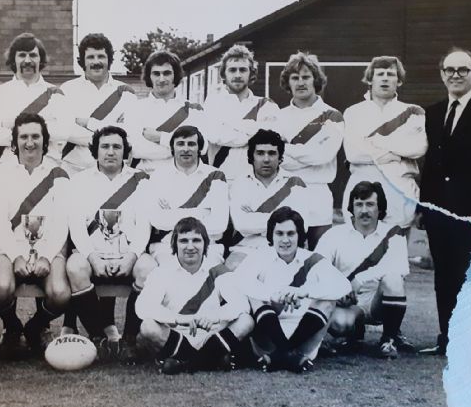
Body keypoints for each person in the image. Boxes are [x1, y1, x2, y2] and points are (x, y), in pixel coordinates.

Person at [64, 126, 153, 361]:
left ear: (125, 152)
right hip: (92, 251)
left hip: (127, 253)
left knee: (147, 268)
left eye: (117, 147)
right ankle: (99, 338)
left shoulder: (141, 180)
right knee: (75, 267)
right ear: (95, 151)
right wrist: (92, 257)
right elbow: (76, 226)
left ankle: (129, 340)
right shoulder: (79, 181)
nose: (110, 152)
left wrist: (132, 256)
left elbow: (145, 225)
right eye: (105, 146)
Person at [0, 113, 71, 358]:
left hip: (48, 246)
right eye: (23, 137)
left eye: (36, 136)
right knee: (0, 288)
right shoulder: (1, 173)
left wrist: (46, 256)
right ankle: (12, 328)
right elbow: (0, 222)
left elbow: (61, 222)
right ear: (14, 143)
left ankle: (36, 327)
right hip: (10, 246)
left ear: (45, 141)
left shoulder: (59, 174)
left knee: (60, 293)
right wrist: (16, 257)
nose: (30, 142)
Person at [233, 207, 350, 373]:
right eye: (279, 234)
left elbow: (343, 285)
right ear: (271, 236)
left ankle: (282, 354)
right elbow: (239, 280)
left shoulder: (312, 259)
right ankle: (288, 354)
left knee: (328, 300)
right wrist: (273, 294)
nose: (285, 240)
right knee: (253, 296)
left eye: (291, 234)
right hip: (267, 337)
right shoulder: (260, 256)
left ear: (300, 235)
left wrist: (305, 291)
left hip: (304, 337)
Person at [419, 48, 471, 356]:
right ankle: (448, 338)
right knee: (444, 274)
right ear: (442, 74)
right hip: (438, 211)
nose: (456, 74)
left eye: (463, 69)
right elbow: (429, 164)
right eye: (450, 69)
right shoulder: (432, 112)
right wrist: (423, 206)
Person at [136, 217, 254, 374]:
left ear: (205, 244)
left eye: (196, 240)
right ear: (174, 245)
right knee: (148, 327)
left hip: (211, 333)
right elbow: (143, 307)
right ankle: (212, 359)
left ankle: (184, 362)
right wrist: (180, 319)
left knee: (247, 321)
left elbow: (241, 304)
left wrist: (215, 316)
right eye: (184, 241)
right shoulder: (162, 271)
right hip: (177, 333)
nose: (190, 247)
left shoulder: (217, 270)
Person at [316, 182, 411, 358]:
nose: (364, 210)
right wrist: (338, 291)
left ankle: (388, 339)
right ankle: (355, 334)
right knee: (340, 325)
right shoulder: (335, 235)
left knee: (394, 280)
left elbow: (400, 267)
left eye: (370, 204)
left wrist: (360, 279)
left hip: (378, 303)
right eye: (359, 204)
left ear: (379, 207)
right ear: (351, 207)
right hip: (348, 302)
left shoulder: (393, 234)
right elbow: (318, 269)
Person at [342, 56, 427, 230]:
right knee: (361, 250)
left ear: (399, 81)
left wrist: (373, 143)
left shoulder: (413, 111)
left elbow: (419, 147)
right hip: (361, 188)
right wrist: (394, 154)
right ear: (370, 79)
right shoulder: (353, 112)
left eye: (391, 74)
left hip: (400, 190)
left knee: (396, 249)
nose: (385, 78)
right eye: (380, 74)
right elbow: (353, 153)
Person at [276, 52, 344, 249]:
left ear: (315, 80)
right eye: (295, 78)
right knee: (286, 256)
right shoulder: (277, 117)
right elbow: (274, 158)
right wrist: (305, 153)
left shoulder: (332, 116)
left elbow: (324, 155)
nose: (300, 82)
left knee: (318, 257)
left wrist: (286, 149)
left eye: (306, 77)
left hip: (318, 193)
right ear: (288, 83)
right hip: (285, 192)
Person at [0, 33, 71, 173]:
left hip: (47, 169)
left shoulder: (55, 94)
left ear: (41, 59)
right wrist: (44, 126)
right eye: (22, 55)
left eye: (33, 55)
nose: (27, 60)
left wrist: (12, 125)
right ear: (13, 59)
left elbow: (62, 133)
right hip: (7, 169)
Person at [145, 125, 228, 262]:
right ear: (173, 148)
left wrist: (172, 213)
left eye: (191, 144)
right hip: (167, 246)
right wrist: (202, 212)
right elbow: (157, 220)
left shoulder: (215, 176)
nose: (185, 149)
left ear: (199, 149)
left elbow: (219, 224)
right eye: (180, 144)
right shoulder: (158, 176)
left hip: (208, 247)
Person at [228, 129, 312, 261]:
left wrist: (254, 218)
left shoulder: (295, 182)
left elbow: (302, 225)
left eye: (272, 153)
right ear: (252, 156)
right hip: (246, 249)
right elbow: (241, 224)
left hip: (285, 250)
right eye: (260, 153)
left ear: (280, 157)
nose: (266, 159)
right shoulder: (240, 183)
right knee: (231, 270)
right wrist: (283, 219)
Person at [59, 33, 137, 174]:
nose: (96, 62)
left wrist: (88, 123)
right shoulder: (67, 90)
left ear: (109, 59)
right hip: (74, 170)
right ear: (82, 60)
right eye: (90, 57)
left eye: (101, 56)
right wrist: (114, 132)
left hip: (113, 172)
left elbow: (131, 133)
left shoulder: (126, 92)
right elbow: (65, 131)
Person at [202, 44, 279, 182]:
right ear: (224, 74)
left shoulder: (266, 104)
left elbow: (268, 140)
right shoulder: (213, 102)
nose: (237, 75)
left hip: (255, 182)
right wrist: (252, 129)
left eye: (243, 70)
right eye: (232, 70)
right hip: (220, 180)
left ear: (251, 73)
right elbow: (215, 135)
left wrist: (228, 126)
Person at [120, 50, 206, 173]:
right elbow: (136, 149)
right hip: (146, 178)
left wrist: (160, 138)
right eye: (156, 73)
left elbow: (202, 148)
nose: (161, 79)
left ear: (175, 75)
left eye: (167, 73)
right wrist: (181, 147)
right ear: (149, 76)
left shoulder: (193, 109)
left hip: (184, 179)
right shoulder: (135, 108)